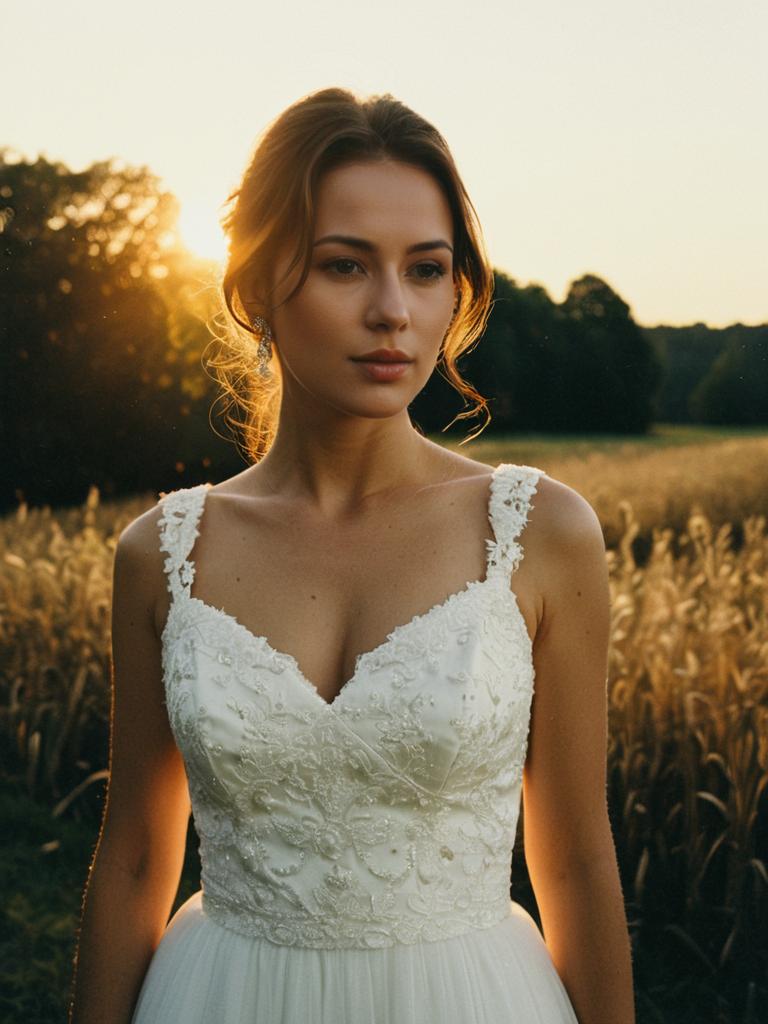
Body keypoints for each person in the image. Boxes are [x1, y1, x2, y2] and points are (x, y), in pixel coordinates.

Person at [69, 87, 636, 1024]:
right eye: (344, 266)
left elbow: (574, 856)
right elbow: (133, 852)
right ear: (256, 286)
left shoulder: (541, 534)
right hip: (219, 997)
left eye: (425, 269)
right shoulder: (161, 552)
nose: (391, 312)